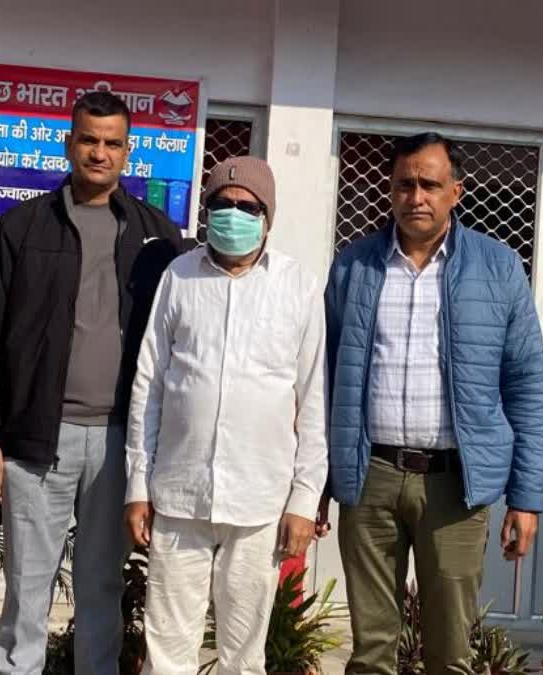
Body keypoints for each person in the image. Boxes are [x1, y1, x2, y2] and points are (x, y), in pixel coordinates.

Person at [0, 91, 186, 675]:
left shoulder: (158, 237)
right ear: (69, 144)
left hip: (120, 441)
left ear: (128, 152)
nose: (99, 152)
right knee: (26, 591)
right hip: (38, 439)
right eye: (89, 139)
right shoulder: (22, 226)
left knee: (102, 591)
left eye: (112, 143)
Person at [324, 133, 543, 675]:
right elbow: (324, 379)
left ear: (456, 192)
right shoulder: (354, 266)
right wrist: (317, 484)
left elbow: (525, 385)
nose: (416, 197)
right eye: (405, 184)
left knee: (450, 654)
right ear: (390, 190)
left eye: (430, 184)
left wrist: (525, 498)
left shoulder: (497, 269)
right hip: (370, 476)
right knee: (370, 651)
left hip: (455, 486)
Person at [125, 156, 329, 675]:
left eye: (247, 207)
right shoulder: (179, 276)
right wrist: (138, 486)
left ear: (268, 218)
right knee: (167, 650)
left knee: (243, 655)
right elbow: (149, 385)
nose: (232, 213)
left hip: (259, 502)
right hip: (179, 494)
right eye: (222, 203)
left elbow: (312, 402)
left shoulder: (297, 286)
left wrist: (304, 500)